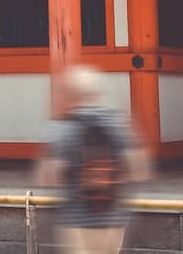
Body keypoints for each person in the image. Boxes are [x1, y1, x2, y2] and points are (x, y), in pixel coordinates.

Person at [35, 64, 150, 254]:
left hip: (77, 218)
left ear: (71, 94)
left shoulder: (64, 128)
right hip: (113, 216)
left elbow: (48, 177)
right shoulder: (116, 123)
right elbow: (139, 170)